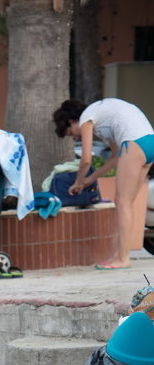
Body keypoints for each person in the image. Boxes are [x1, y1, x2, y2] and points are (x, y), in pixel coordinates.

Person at [52, 97, 154, 270]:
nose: (75, 136)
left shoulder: (86, 118)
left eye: (71, 132)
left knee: (122, 202)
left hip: (134, 143)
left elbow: (85, 160)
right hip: (149, 143)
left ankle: (123, 258)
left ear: (71, 121)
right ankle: (119, 254)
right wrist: (90, 180)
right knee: (127, 204)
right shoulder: (99, 116)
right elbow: (115, 156)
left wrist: (77, 182)